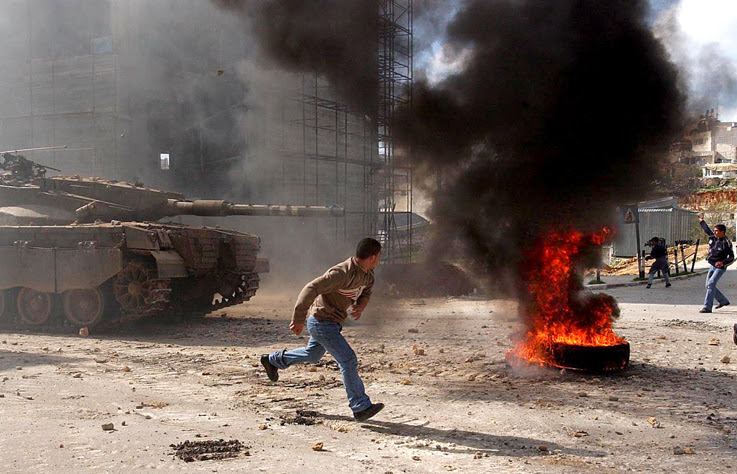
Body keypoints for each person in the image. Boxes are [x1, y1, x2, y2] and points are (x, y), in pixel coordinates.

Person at [261, 237, 384, 422]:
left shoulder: (368, 274)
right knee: (348, 360)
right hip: (321, 321)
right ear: (373, 257)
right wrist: (298, 318)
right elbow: (312, 287)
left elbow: (366, 292)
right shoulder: (341, 273)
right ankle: (360, 406)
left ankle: (272, 361)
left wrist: (360, 306)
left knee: (312, 355)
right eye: (379, 256)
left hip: (332, 323)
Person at [697, 215, 734, 314]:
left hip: (720, 267)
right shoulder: (713, 237)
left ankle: (707, 307)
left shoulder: (726, 242)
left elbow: (731, 257)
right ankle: (723, 301)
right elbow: (706, 229)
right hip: (712, 265)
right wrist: (701, 221)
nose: (714, 232)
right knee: (708, 285)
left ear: (722, 232)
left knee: (711, 284)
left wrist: (723, 263)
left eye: (717, 231)